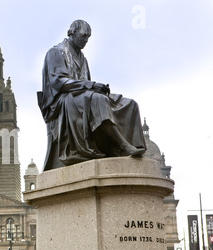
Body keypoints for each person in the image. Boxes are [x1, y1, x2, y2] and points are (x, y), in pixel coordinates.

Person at [38, 20, 146, 170]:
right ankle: (123, 145)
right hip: (62, 100)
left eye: (88, 38)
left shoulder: (83, 58)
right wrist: (92, 86)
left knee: (129, 104)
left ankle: (128, 147)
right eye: (83, 36)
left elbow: (86, 84)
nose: (85, 41)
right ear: (72, 33)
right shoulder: (56, 52)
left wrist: (96, 87)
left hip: (83, 97)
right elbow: (59, 82)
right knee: (98, 100)